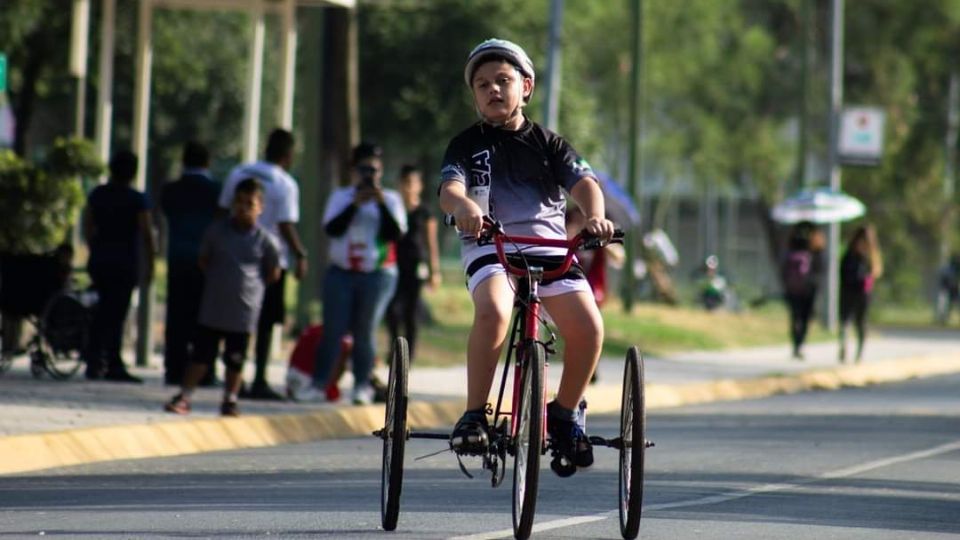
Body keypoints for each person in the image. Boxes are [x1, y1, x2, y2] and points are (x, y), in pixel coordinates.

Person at [438, 39, 615, 475]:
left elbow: (585, 184)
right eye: (482, 84)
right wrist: (462, 208)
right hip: (491, 246)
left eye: (503, 80)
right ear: (475, 94)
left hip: (552, 250)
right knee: (495, 312)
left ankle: (564, 412)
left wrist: (595, 217)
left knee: (590, 328)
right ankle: (476, 412)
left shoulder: (551, 144)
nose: (493, 90)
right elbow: (450, 189)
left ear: (527, 87)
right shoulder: (465, 145)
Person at [292, 142, 406, 405]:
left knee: (365, 330)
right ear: (354, 170)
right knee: (333, 329)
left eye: (374, 170)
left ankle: (362, 385)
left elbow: (395, 234)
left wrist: (378, 204)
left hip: (378, 274)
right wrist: (355, 204)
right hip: (341, 273)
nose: (369, 176)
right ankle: (320, 384)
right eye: (364, 169)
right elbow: (332, 229)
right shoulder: (341, 196)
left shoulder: (390, 199)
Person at [164, 178, 280, 417]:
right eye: (238, 202)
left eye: (249, 203)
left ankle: (230, 399)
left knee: (235, 360)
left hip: (243, 313)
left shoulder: (266, 241)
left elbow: (272, 273)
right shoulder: (217, 232)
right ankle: (184, 396)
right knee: (201, 356)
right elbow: (204, 261)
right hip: (213, 309)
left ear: (260, 208)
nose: (243, 208)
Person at [219, 129, 308, 400]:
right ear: (288, 155)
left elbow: (222, 211)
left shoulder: (238, 173)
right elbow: (285, 225)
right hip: (270, 262)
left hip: (235, 257)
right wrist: (300, 255)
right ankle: (259, 378)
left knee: (236, 320)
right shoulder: (285, 183)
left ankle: (234, 377)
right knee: (266, 323)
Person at [82, 150, 156, 383]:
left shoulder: (98, 194)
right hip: (125, 262)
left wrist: (94, 247)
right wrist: (151, 263)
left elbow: (87, 226)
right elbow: (146, 234)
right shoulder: (137, 199)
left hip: (101, 259)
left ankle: (94, 360)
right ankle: (114, 361)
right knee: (117, 313)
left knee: (101, 311)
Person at [160, 141, 220, 386]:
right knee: (205, 318)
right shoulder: (216, 190)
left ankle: (174, 369)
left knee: (177, 317)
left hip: (177, 257)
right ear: (208, 162)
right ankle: (203, 370)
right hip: (207, 260)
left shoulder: (170, 190)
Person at [386, 165, 441, 360]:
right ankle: (394, 347)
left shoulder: (425, 212)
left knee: (411, 311)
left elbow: (431, 244)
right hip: (393, 264)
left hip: (416, 265)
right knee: (391, 309)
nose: (408, 187)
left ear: (419, 186)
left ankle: (409, 354)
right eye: (404, 183)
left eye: (412, 183)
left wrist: (435, 271)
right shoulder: (392, 210)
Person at [839, 224, 883, 363]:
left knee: (860, 322)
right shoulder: (850, 254)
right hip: (849, 291)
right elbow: (843, 272)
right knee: (846, 321)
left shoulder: (871, 256)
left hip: (862, 293)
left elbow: (876, 272)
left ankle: (859, 353)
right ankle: (844, 347)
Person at [781, 222, 824, 360]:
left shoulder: (791, 245)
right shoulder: (815, 249)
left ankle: (796, 345)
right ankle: (799, 345)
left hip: (793, 288)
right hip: (809, 289)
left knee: (795, 317)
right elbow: (821, 269)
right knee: (805, 318)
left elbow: (783, 269)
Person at [936, 254, 960, 325]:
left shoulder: (956, 268)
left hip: (954, 290)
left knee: (948, 305)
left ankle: (943, 319)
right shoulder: (947, 268)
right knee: (943, 305)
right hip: (945, 289)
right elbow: (944, 280)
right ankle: (942, 319)